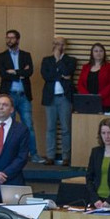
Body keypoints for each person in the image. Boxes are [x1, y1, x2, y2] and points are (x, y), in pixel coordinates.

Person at [0, 29, 37, 161]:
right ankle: (11, 155)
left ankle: (34, 154)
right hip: (9, 96)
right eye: (7, 37)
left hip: (24, 95)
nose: (9, 40)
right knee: (10, 126)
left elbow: (29, 72)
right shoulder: (1, 56)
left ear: (18, 40)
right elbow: (3, 74)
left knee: (28, 126)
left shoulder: (26, 55)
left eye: (12, 38)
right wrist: (20, 73)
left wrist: (13, 72)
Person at [39, 37, 76, 165]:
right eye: (55, 44)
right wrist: (62, 75)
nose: (58, 46)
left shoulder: (70, 60)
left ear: (65, 46)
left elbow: (68, 71)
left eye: (60, 44)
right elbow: (46, 76)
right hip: (50, 97)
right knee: (50, 128)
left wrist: (59, 61)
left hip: (65, 98)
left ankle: (66, 157)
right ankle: (50, 156)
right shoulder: (46, 60)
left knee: (66, 128)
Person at [77, 42, 110, 110]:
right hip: (88, 102)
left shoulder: (109, 66)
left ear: (104, 53)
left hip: (105, 102)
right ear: (92, 53)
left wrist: (98, 97)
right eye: (96, 51)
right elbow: (80, 84)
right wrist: (88, 97)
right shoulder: (85, 67)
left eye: (101, 51)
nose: (98, 53)